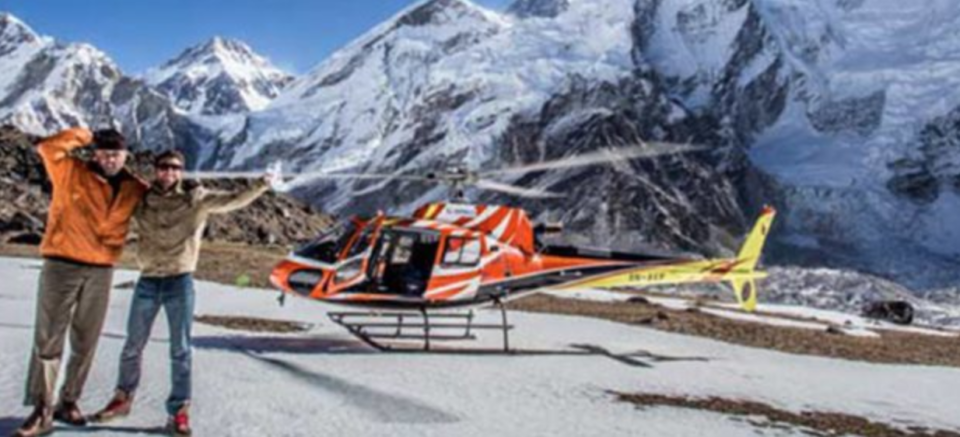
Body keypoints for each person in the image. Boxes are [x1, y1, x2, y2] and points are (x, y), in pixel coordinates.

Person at [91, 150, 274, 436]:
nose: (168, 172)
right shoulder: (143, 200)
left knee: (181, 350)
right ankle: (122, 399)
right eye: (163, 167)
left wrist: (262, 184)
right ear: (156, 170)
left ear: (181, 171)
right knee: (132, 345)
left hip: (180, 281)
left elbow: (232, 201)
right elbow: (114, 196)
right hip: (148, 280)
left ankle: (178, 412)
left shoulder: (196, 200)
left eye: (175, 168)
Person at [15, 128, 148, 437]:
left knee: (86, 340)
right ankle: (42, 407)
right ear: (95, 153)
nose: (110, 158)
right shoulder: (70, 171)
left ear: (126, 155)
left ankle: (69, 400)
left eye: (116, 153)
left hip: (101, 270)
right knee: (49, 338)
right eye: (103, 152)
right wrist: (83, 134)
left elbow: (164, 208)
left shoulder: (134, 188)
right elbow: (48, 148)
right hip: (61, 264)